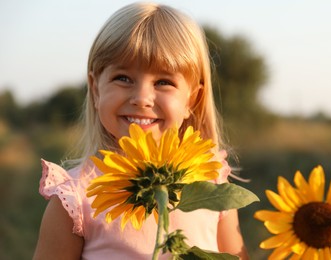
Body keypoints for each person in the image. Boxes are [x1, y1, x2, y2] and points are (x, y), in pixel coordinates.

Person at [33, 2, 248, 259]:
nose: (142, 98)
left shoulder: (210, 179)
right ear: (96, 88)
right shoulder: (76, 198)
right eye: (123, 78)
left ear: (192, 100)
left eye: (163, 82)